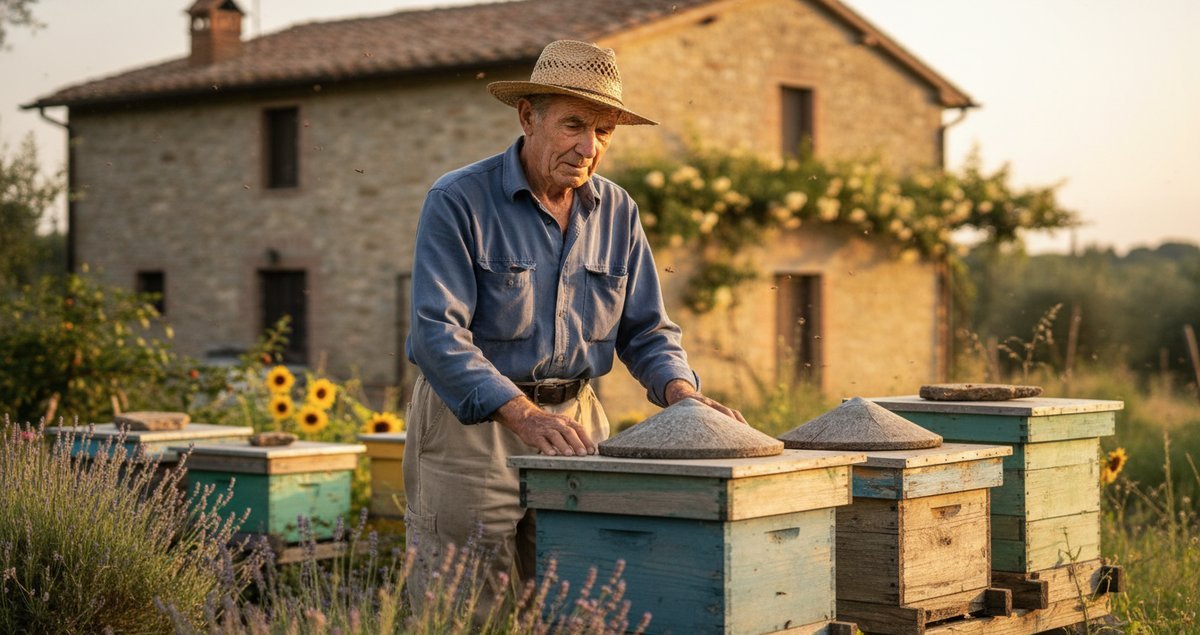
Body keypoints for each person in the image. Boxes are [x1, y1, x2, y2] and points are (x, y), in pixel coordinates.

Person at [403, 39, 744, 608]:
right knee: (465, 609)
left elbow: (647, 330)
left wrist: (683, 395)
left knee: (578, 602)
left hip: (578, 421)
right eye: (574, 125)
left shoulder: (618, 210)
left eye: (604, 132)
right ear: (528, 116)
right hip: (474, 430)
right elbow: (437, 335)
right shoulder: (457, 199)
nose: (589, 146)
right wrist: (523, 414)